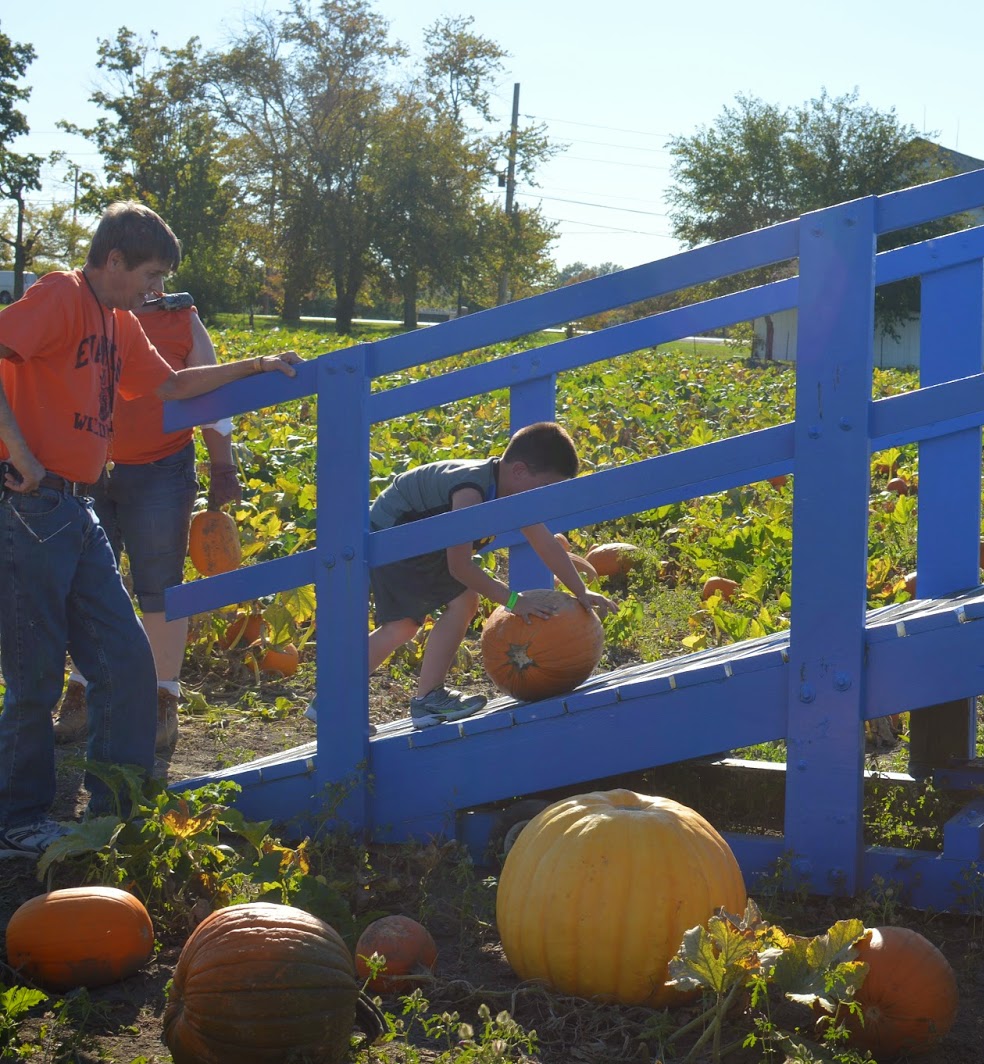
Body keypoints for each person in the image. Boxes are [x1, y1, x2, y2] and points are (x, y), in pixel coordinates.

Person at [0, 201, 301, 859]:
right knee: (35, 675)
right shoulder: (60, 295)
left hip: (76, 508)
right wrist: (17, 451)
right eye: (151, 275)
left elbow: (173, 386)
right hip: (30, 505)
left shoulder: (119, 323)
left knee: (128, 660)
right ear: (114, 260)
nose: (156, 289)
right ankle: (16, 820)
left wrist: (252, 366)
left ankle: (116, 812)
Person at [305, 421, 617, 729]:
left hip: (421, 539)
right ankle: (412, 698)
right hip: (394, 535)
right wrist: (513, 601)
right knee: (420, 618)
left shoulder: (512, 491)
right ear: (520, 471)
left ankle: (337, 701)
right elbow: (460, 567)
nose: (545, 498)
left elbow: (544, 543)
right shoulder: (471, 492)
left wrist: (580, 591)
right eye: (545, 488)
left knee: (423, 618)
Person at [52, 293, 244, 762]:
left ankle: (163, 696)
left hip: (161, 467)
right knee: (87, 583)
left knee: (161, 586)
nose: (152, 284)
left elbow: (209, 395)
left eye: (158, 274)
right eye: (147, 272)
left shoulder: (181, 319)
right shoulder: (83, 308)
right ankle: (84, 687)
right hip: (87, 465)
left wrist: (223, 465)